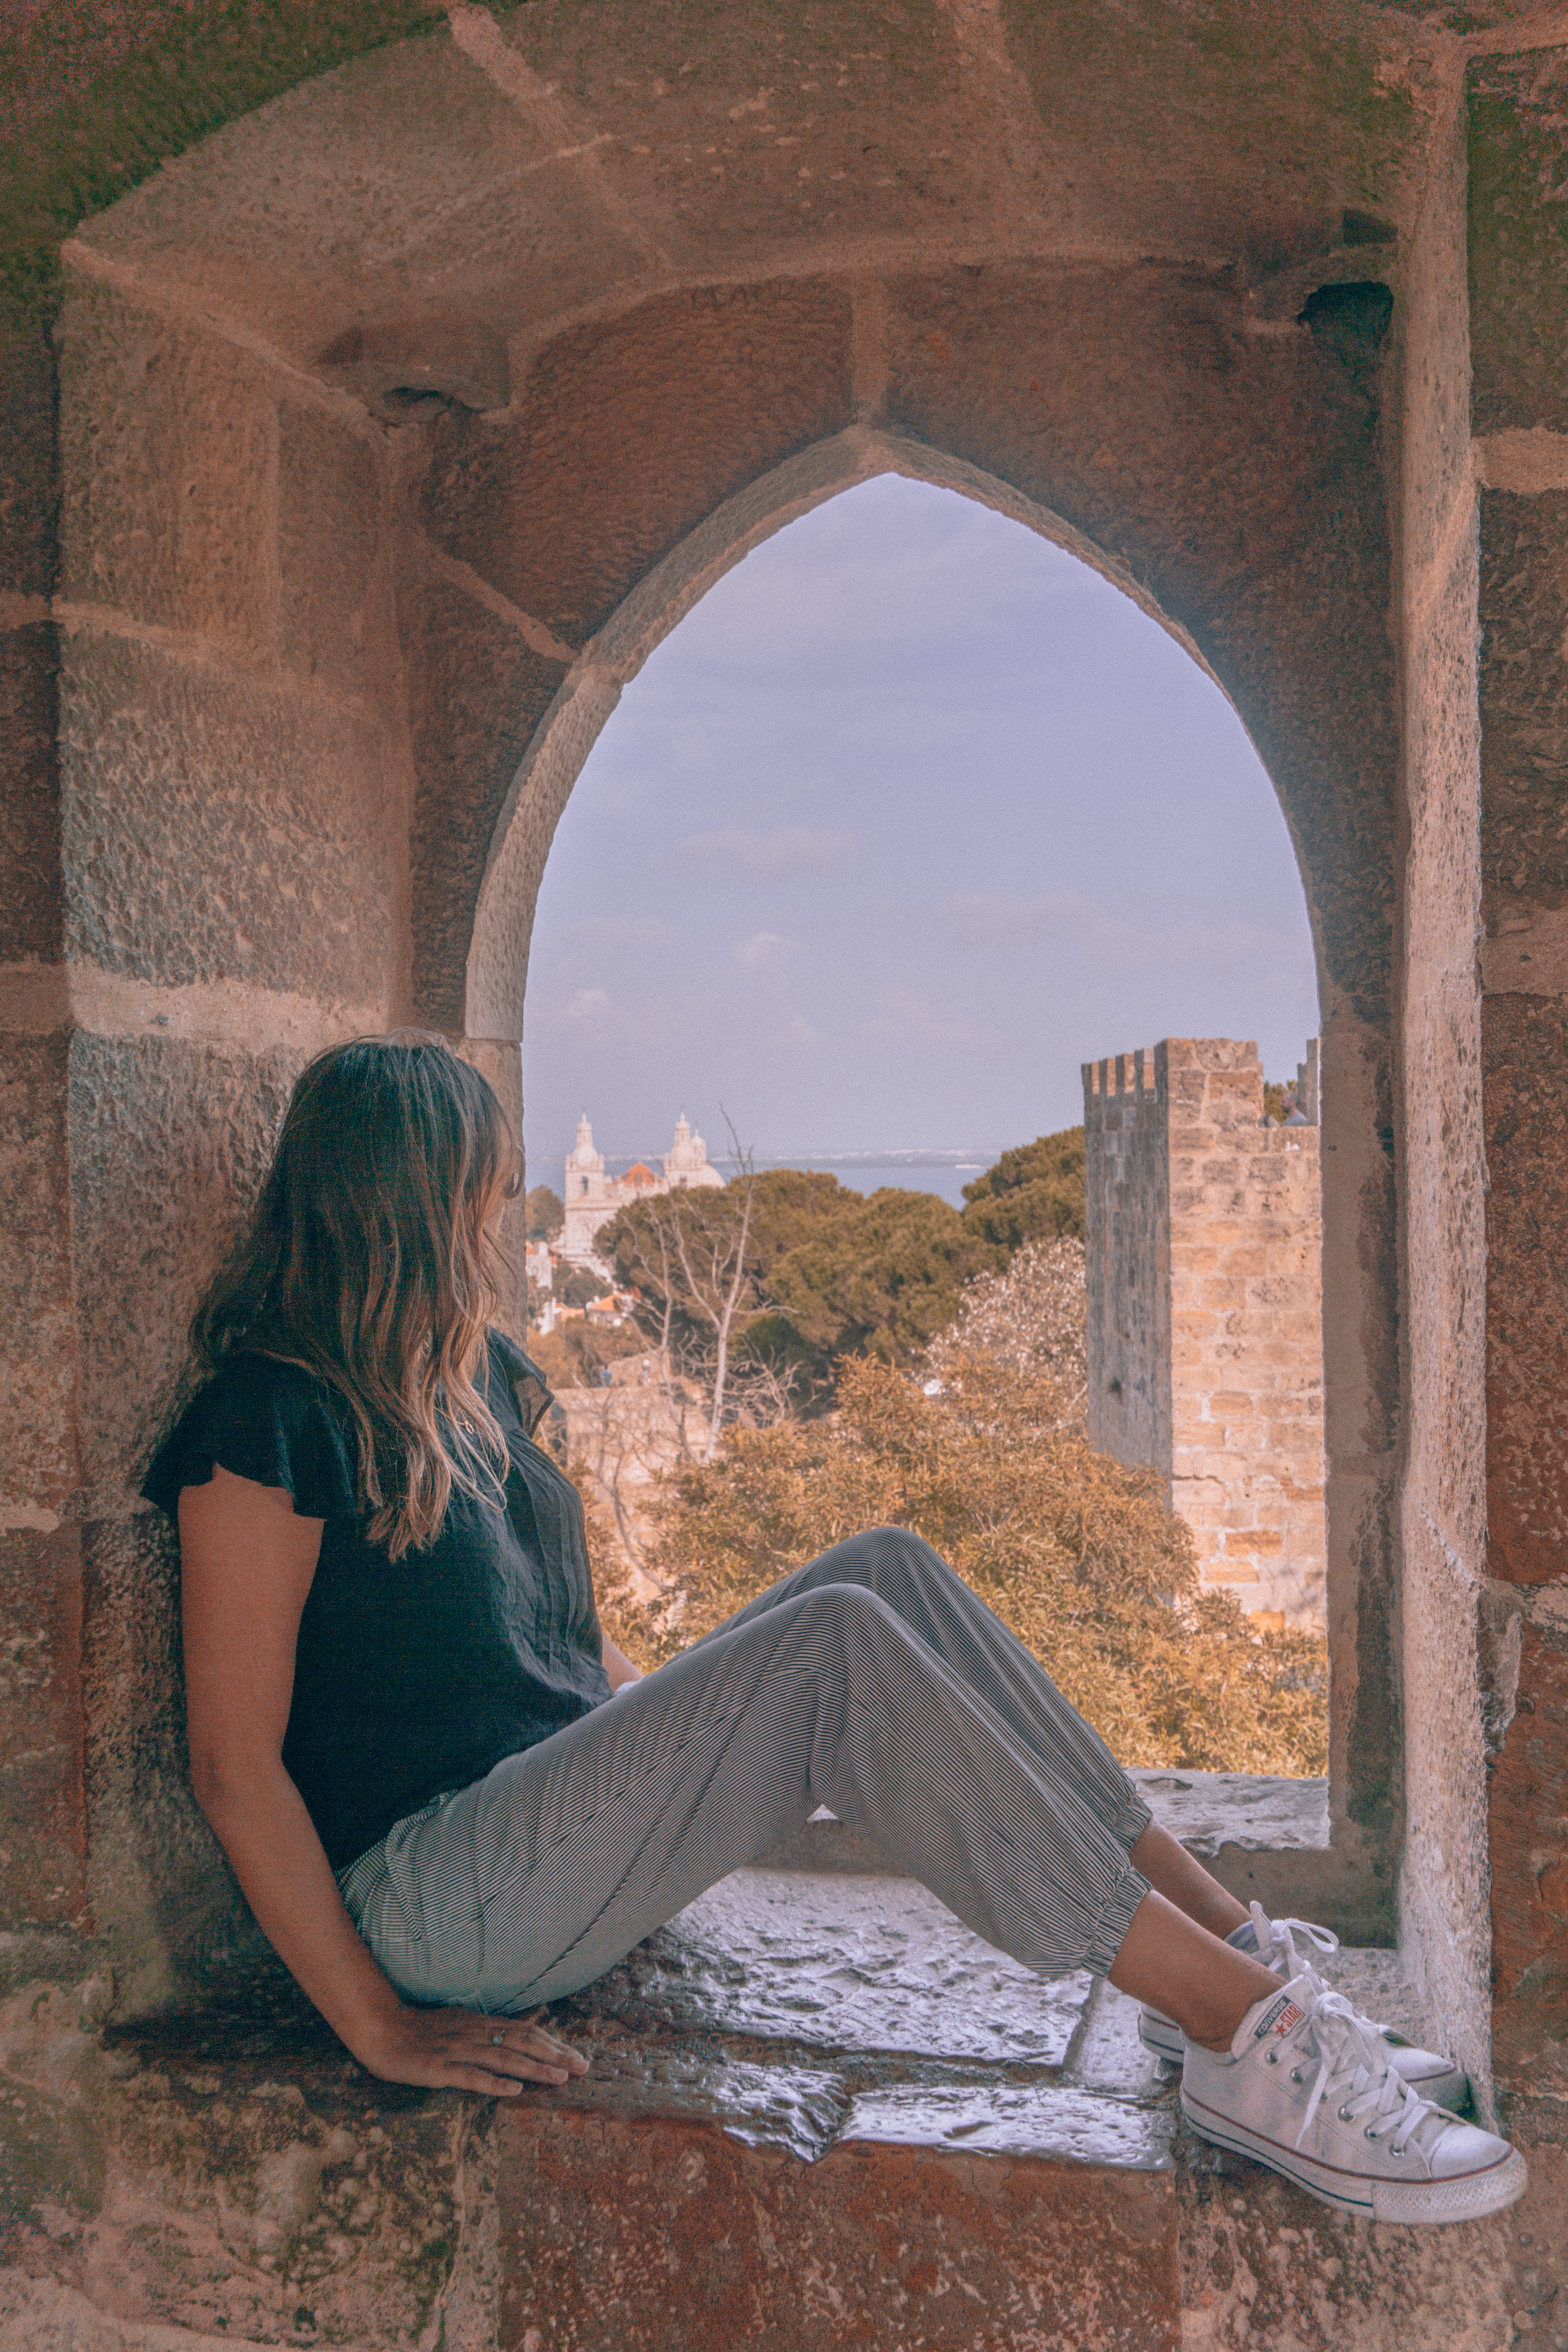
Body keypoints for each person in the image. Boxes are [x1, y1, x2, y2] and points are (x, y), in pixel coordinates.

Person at [143, 1036, 1525, 2227]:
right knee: (839, 1645)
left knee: (884, 1569)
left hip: (550, 1831)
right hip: (436, 1895)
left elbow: (571, 1645)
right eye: (484, 1189)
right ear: (406, 1204)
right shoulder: (269, 1425)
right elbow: (233, 1766)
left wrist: (671, 1738)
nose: (507, 1214)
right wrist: (376, 2027)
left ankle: (1235, 1948)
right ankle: (1245, 2038)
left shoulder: (481, 1380)